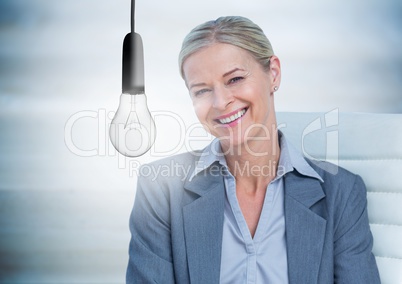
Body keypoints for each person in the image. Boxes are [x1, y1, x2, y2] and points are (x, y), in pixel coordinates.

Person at [126, 16, 380, 283]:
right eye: (201, 91)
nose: (221, 102)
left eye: (234, 79)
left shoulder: (341, 193)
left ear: (273, 74)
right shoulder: (161, 190)